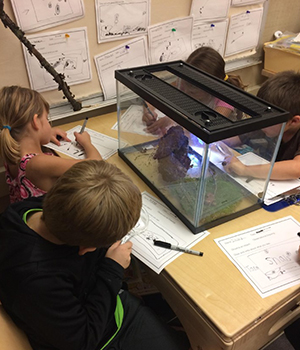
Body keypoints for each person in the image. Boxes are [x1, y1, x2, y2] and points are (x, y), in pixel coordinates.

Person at [0, 160, 190, 350]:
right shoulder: (39, 280)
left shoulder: (32, 210)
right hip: (95, 335)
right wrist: (112, 269)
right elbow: (84, 340)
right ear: (85, 249)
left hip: (81, 301)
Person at [0, 85, 102, 203]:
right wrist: (86, 143)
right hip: (51, 218)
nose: (49, 124)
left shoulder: (11, 149)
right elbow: (97, 165)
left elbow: (25, 135)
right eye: (47, 119)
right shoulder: (38, 163)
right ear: (36, 122)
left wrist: (45, 134)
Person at [142, 46, 246, 135]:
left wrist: (172, 119)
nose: (186, 92)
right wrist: (148, 110)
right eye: (184, 86)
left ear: (212, 88)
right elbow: (156, 95)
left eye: (192, 92)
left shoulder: (225, 99)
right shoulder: (184, 83)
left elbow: (208, 125)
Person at [223, 71, 300, 180]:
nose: (261, 123)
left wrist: (245, 170)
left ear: (294, 121)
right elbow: (235, 138)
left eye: (268, 120)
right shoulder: (268, 124)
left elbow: (296, 169)